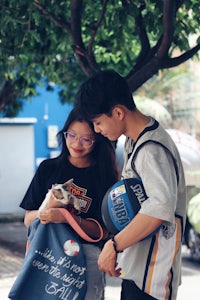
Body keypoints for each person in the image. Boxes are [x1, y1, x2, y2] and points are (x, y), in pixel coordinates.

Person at [75, 70, 187, 300]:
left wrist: (114, 245)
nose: (97, 130)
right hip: (139, 273)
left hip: (151, 281)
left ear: (117, 112)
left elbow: (159, 208)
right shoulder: (135, 141)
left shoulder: (151, 150)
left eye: (98, 122)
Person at [18, 107, 119, 300]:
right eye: (71, 135)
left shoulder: (104, 177)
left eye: (86, 139)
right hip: (48, 257)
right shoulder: (48, 169)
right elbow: (28, 220)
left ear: (97, 141)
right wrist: (47, 211)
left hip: (86, 261)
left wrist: (67, 217)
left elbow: (102, 232)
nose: (76, 143)